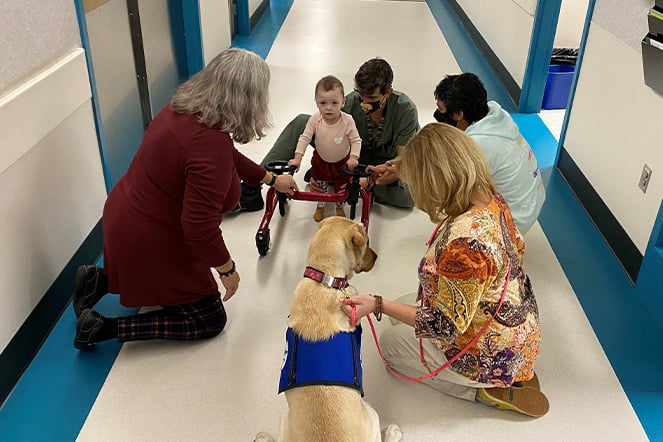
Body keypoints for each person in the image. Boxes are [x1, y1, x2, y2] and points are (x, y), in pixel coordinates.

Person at [71, 48, 298, 350]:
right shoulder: (209, 144)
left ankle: (98, 280)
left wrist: (271, 179)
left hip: (125, 216)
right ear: (250, 98)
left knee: (161, 277)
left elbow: (230, 156)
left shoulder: (184, 111)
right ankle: (102, 328)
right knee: (209, 319)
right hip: (151, 238)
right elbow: (199, 228)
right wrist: (227, 269)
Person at [342, 123, 549, 417]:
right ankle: (511, 369)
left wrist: (378, 304)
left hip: (486, 349)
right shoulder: (490, 198)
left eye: (416, 183)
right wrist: (403, 165)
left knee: (390, 346)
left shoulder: (465, 245)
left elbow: (446, 326)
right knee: (402, 310)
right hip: (514, 324)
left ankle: (484, 390)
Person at [234, 57, 419, 212]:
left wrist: (368, 181)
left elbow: (403, 163)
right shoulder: (350, 102)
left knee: (408, 197)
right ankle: (251, 186)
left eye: (371, 99)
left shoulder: (405, 110)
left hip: (382, 166)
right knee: (301, 121)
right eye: (360, 95)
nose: (363, 102)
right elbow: (324, 129)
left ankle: (339, 180)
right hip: (350, 156)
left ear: (388, 92)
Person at [432, 72, 545, 233]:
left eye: (441, 110)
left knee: (452, 200)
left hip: (514, 221)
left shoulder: (476, 145)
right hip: (532, 201)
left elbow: (451, 190)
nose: (438, 115)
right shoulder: (496, 115)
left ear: (459, 114)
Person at [288, 75, 361, 221]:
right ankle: (320, 206)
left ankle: (339, 206)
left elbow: (356, 140)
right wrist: (298, 158)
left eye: (334, 103)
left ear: (343, 102)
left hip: (342, 163)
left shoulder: (347, 120)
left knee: (341, 186)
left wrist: (353, 157)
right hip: (320, 161)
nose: (328, 108)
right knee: (319, 184)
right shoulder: (315, 119)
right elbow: (305, 137)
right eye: (323, 103)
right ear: (316, 103)